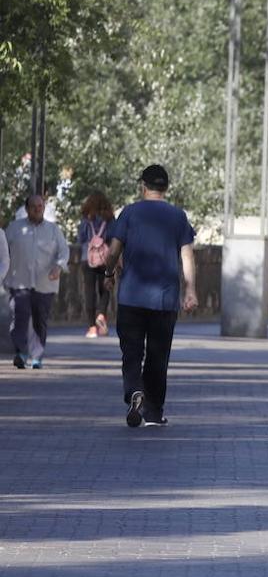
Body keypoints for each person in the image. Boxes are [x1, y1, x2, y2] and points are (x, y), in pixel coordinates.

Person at [103, 165, 197, 427]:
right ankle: (154, 412)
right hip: (165, 300)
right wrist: (190, 291)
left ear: (143, 185)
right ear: (166, 187)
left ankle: (135, 391)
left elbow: (113, 251)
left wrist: (109, 273)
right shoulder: (178, 216)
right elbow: (187, 256)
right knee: (158, 356)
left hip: (132, 295)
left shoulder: (130, 213)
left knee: (131, 352)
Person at [5, 194, 69, 369]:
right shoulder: (14, 228)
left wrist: (58, 267)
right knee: (19, 316)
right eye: (33, 206)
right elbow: (3, 251)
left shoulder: (53, 229)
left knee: (40, 319)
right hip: (19, 281)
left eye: (40, 206)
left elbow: (64, 252)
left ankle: (37, 355)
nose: (37, 209)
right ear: (27, 209)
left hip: (45, 283)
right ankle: (21, 352)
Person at [77, 192, 116, 338]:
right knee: (105, 289)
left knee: (89, 292)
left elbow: (80, 238)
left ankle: (92, 328)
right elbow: (115, 237)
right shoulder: (110, 219)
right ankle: (101, 314)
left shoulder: (86, 219)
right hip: (105, 259)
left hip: (87, 259)